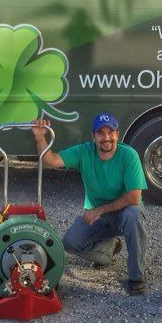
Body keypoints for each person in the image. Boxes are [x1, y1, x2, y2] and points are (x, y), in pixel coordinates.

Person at [31, 113, 148, 295]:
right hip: (99, 215)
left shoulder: (129, 155)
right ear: (93, 136)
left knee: (133, 215)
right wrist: (40, 137)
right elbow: (50, 160)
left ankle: (136, 277)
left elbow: (134, 198)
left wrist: (99, 210)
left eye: (110, 132)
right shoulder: (84, 151)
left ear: (117, 134)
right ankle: (109, 249)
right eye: (100, 133)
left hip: (124, 212)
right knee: (70, 242)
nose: (106, 137)